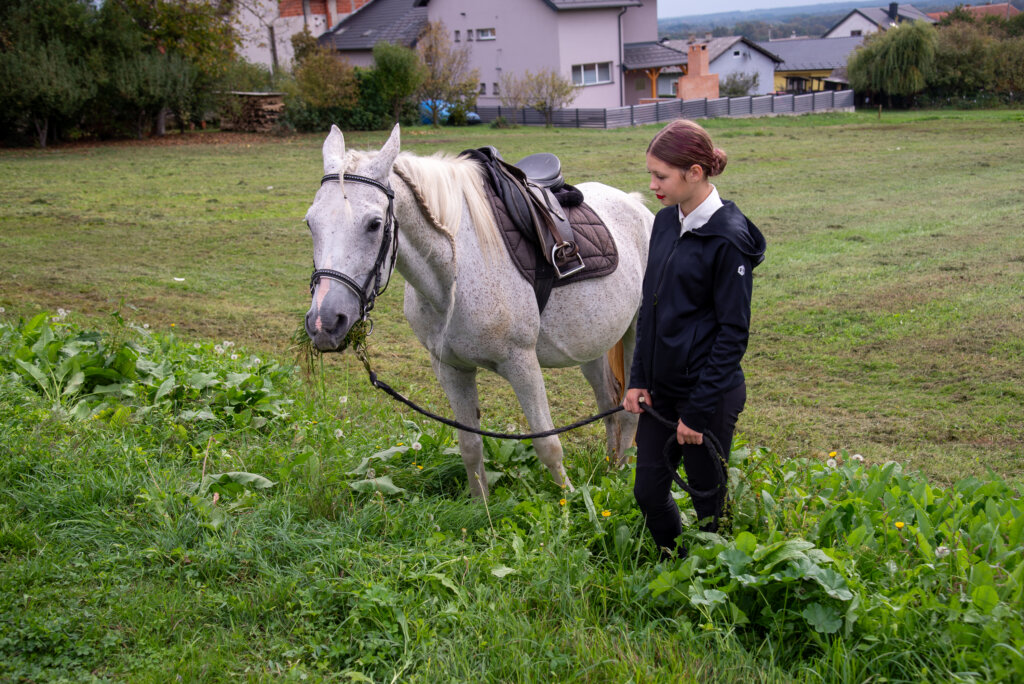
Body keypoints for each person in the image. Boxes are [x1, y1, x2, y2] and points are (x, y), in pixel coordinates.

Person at [623, 119, 766, 558]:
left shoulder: (728, 239)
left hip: (710, 395)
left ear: (696, 172)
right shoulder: (665, 223)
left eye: (661, 176)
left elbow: (732, 335)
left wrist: (698, 413)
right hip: (661, 391)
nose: (652, 185)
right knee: (647, 493)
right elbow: (650, 306)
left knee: (709, 501)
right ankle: (678, 562)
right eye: (650, 173)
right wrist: (637, 379)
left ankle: (714, 577)